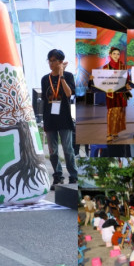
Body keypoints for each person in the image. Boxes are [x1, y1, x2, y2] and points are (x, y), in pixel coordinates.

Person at [41, 49, 77, 189]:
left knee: (68, 149)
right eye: (49, 60)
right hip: (50, 118)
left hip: (64, 117)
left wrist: (61, 76)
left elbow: (68, 94)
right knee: (52, 151)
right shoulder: (45, 79)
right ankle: (58, 176)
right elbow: (44, 100)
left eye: (54, 60)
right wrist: (44, 121)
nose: (51, 63)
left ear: (61, 62)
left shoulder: (68, 76)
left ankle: (73, 176)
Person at [96, 46, 128, 141]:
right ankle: (109, 133)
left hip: (121, 93)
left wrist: (127, 84)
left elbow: (127, 79)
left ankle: (115, 131)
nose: (116, 55)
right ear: (110, 55)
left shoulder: (123, 66)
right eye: (114, 54)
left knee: (119, 112)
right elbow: (103, 80)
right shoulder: (106, 67)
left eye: (118, 54)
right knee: (111, 112)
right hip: (111, 93)